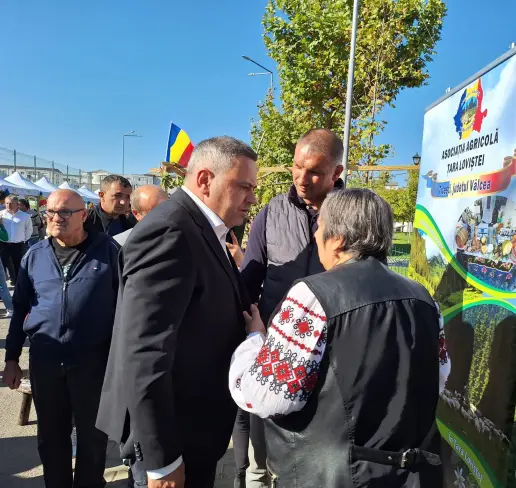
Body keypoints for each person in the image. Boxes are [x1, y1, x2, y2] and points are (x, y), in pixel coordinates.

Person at [229, 188, 448, 487]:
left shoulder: (311, 297)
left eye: (319, 229)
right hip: (405, 475)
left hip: (330, 475)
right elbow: (439, 378)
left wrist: (254, 340)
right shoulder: (424, 299)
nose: (315, 236)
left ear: (338, 240)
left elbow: (268, 396)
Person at [96, 136, 258, 488]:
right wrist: (162, 460)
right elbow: (143, 352)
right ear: (204, 180)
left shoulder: (205, 229)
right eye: (244, 186)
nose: (252, 197)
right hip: (175, 439)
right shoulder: (171, 230)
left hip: (196, 430)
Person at [235, 128, 344, 487]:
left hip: (333, 359)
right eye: (296, 167)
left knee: (317, 459)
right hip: (275, 356)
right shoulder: (271, 214)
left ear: (336, 173)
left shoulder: (353, 215)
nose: (301, 178)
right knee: (260, 462)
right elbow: (249, 281)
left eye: (313, 171)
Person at [3, 189, 120, 488]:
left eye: (65, 212)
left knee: (93, 438)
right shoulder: (35, 255)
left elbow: (126, 309)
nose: (56, 218)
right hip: (46, 361)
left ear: (84, 215)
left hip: (94, 364)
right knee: (51, 437)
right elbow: (20, 310)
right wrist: (12, 358)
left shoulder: (109, 253)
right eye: (50, 212)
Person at [0, 195, 33, 284]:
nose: (8, 205)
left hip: (18, 245)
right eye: (7, 203)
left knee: (18, 266)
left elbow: (29, 230)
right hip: (4, 245)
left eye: (11, 203)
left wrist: (23, 239)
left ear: (17, 204)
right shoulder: (1, 214)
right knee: (2, 266)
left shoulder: (25, 216)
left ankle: (18, 286)